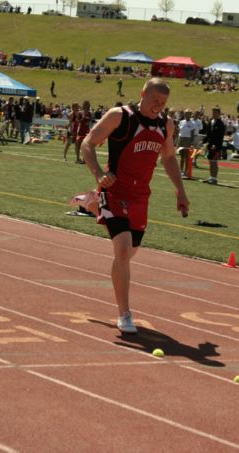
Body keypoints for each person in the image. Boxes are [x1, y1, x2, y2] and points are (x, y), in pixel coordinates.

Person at [80, 78, 189, 334]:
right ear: (142, 94)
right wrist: (97, 173)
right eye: (154, 101)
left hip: (141, 197)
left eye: (162, 103)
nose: (157, 107)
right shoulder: (120, 116)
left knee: (129, 254)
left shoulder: (166, 124)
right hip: (115, 189)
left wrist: (181, 191)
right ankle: (125, 313)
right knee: (123, 249)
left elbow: (170, 157)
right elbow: (88, 143)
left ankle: (92, 205)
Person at [204, 106, 225, 185]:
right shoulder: (210, 122)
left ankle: (214, 178)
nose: (213, 114)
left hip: (216, 146)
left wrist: (215, 145)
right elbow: (208, 134)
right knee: (210, 161)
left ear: (219, 114)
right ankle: (211, 177)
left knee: (214, 162)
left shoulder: (220, 124)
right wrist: (203, 141)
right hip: (210, 145)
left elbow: (220, 136)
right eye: (213, 112)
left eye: (215, 112)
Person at [177, 109, 200, 177]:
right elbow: (179, 131)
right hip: (181, 139)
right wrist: (176, 140)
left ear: (190, 115)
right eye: (186, 113)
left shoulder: (192, 124)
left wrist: (191, 142)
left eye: (188, 114)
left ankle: (186, 170)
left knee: (187, 156)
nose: (187, 115)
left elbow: (192, 134)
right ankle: (181, 170)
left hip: (188, 139)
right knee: (182, 156)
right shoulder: (181, 122)